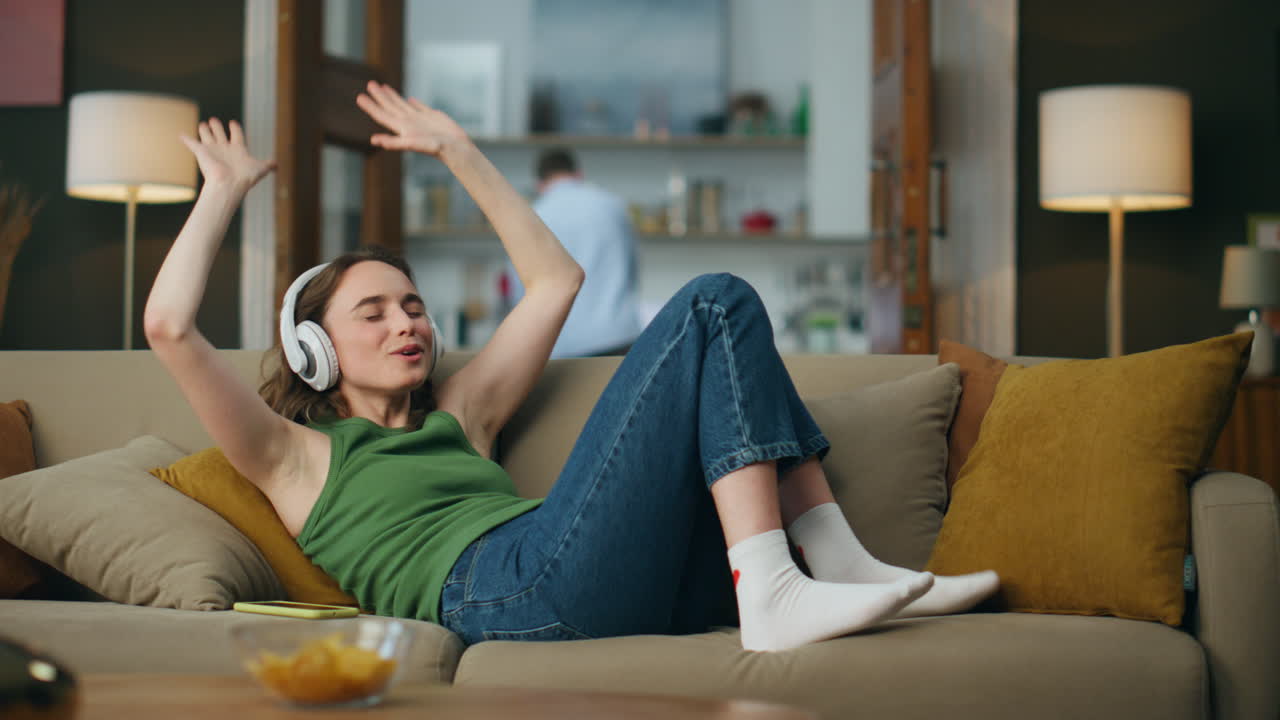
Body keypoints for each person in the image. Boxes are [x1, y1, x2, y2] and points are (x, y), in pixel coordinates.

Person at [144, 82, 999, 653]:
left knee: (725, 323)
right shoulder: (296, 457)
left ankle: (830, 564)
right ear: (315, 350)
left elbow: (556, 280)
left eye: (413, 305)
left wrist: (457, 151)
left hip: (603, 574)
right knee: (711, 300)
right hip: (508, 591)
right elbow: (170, 327)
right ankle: (780, 587)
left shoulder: (461, 414)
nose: (406, 323)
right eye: (373, 313)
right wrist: (222, 191)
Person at [505, 146, 642, 358]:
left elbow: (519, 289)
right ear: (579, 174)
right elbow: (632, 266)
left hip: (561, 342)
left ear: (539, 184)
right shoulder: (613, 205)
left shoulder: (532, 215)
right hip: (618, 335)